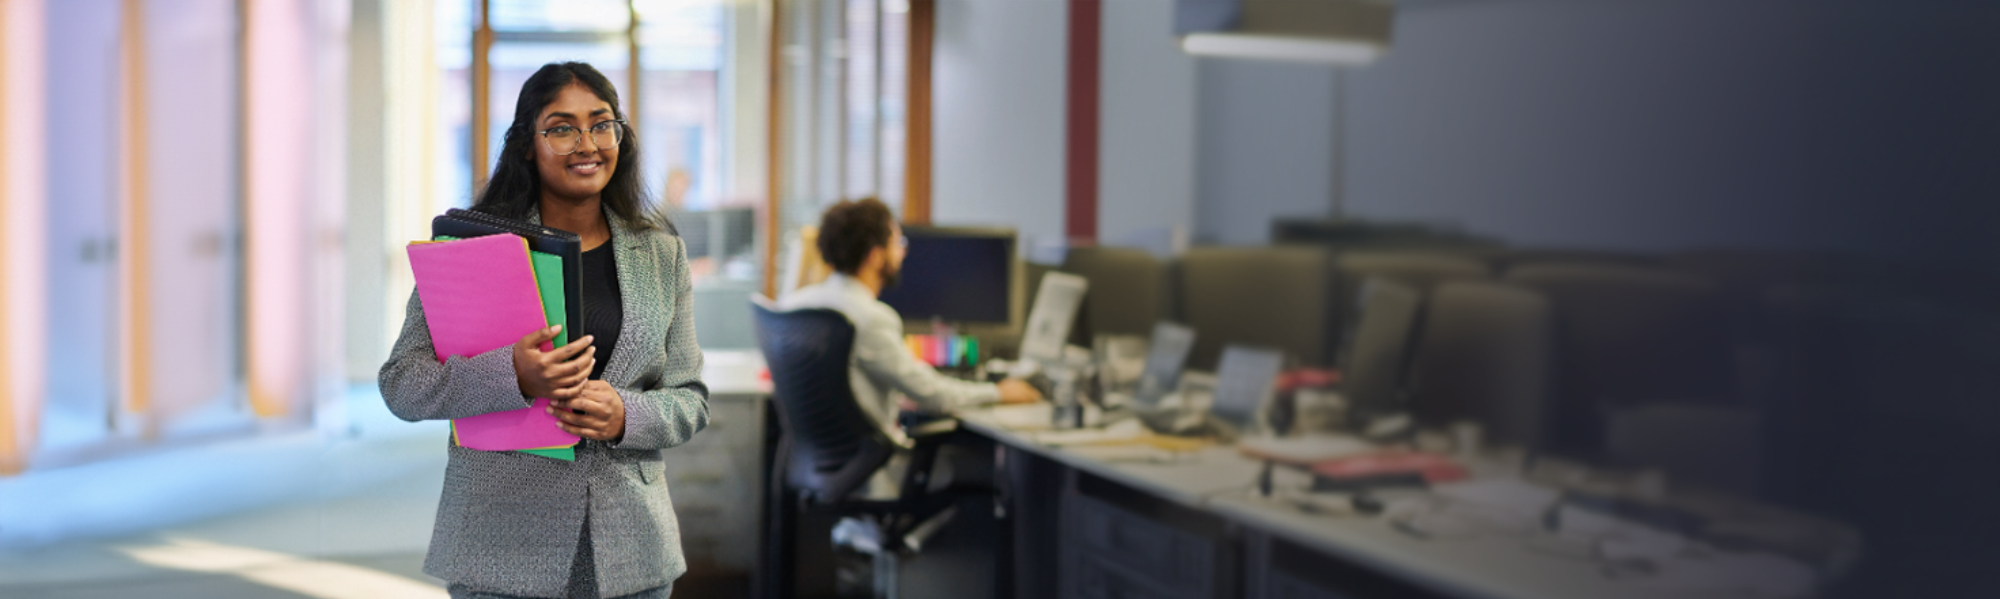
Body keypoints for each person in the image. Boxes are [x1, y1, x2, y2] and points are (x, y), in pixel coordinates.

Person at [379, 62, 707, 599]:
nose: (587, 143)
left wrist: (627, 413)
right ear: (528, 145)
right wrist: (513, 375)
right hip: (501, 542)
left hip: (631, 549)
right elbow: (401, 385)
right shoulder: (471, 252)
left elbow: (690, 399)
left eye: (602, 125)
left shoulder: (662, 255)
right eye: (561, 128)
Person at [777, 198, 1042, 497]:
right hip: (873, 469)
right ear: (877, 256)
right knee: (989, 478)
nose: (903, 251)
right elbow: (933, 394)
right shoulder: (871, 318)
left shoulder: (797, 303)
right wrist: (999, 392)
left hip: (820, 464)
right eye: (897, 242)